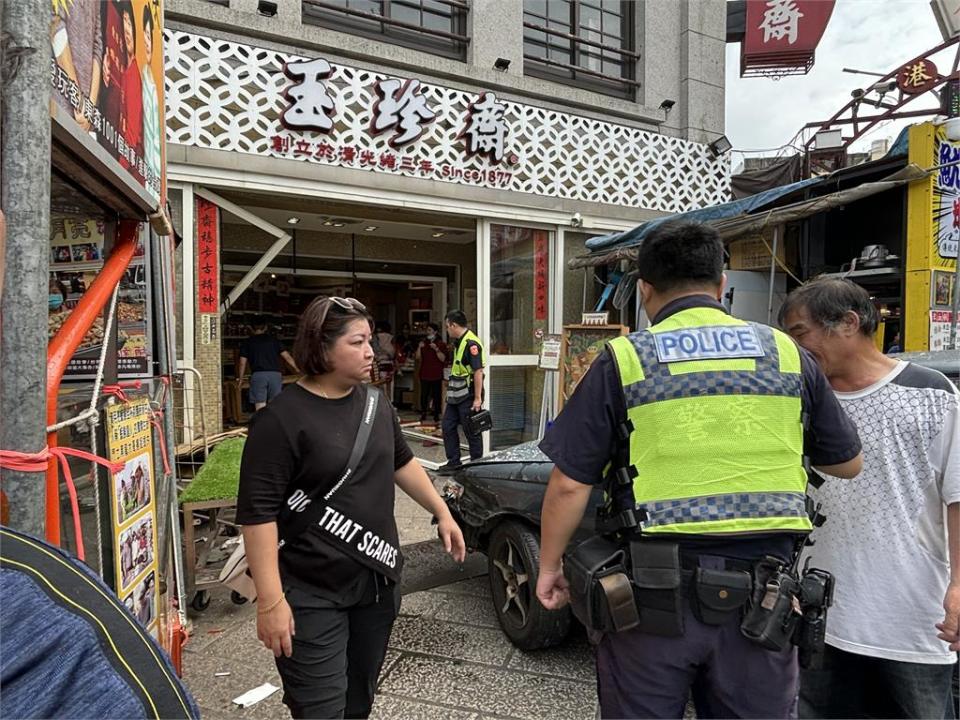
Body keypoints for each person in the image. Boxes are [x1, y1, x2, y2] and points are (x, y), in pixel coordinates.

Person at [535, 221, 864, 719]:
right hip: (764, 598)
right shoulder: (785, 353)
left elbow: (569, 483)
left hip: (650, 602)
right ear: (722, 284)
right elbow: (847, 462)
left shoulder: (625, 359)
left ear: (644, 289)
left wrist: (549, 567)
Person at [236, 296, 466, 720]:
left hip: (376, 585)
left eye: (369, 341)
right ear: (322, 348)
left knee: (358, 701)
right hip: (309, 593)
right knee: (319, 708)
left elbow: (402, 461)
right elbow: (258, 514)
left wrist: (442, 511)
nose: (370, 352)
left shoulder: (376, 405)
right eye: (357, 342)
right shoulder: (280, 421)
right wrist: (270, 601)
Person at [779, 278, 960, 719]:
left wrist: (959, 586)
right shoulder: (798, 399)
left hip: (911, 619)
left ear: (848, 323)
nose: (794, 349)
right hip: (818, 615)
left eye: (800, 333)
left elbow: (957, 495)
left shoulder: (931, 393)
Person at [437, 310, 485, 474]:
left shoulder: (472, 344)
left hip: (469, 394)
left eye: (447, 327)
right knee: (448, 426)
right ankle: (454, 462)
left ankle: (476, 465)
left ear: (454, 325)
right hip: (455, 394)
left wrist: (477, 398)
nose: (447, 330)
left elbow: (478, 371)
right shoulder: (460, 341)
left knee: (471, 430)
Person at [236, 322, 299, 411]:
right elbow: (287, 357)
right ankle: (274, 424)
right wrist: (297, 369)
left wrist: (241, 379)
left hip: (258, 376)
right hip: (275, 375)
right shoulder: (274, 340)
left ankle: (263, 424)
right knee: (275, 404)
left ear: (251, 328)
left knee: (260, 406)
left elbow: (242, 363)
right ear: (265, 328)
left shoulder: (247, 342)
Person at [117, 1, 142, 179]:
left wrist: (118, 167)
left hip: (130, 171)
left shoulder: (134, 74)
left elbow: (132, 135)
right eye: (123, 21)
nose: (126, 29)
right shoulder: (124, 69)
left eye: (129, 22)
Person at [139, 6, 162, 192]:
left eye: (149, 35)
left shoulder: (154, 82)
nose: (147, 41)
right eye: (144, 35)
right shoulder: (138, 77)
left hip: (152, 177)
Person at [415, 322, 447, 423]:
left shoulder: (441, 344)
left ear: (435, 332)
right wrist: (419, 347)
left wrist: (436, 349)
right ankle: (423, 412)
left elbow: (443, 359)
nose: (427, 332)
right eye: (427, 330)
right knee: (424, 394)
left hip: (436, 373)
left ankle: (436, 414)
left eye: (429, 330)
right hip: (424, 372)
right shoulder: (423, 343)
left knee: (437, 394)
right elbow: (417, 357)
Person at [371, 322, 397, 403]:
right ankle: (390, 401)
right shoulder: (390, 338)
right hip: (389, 363)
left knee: (382, 384)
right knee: (390, 384)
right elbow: (393, 353)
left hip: (380, 363)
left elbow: (375, 352)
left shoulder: (376, 337)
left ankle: (384, 401)